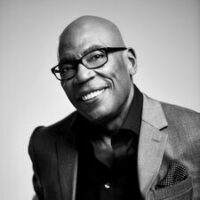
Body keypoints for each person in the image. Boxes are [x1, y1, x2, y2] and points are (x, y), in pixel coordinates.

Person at [28, 15, 200, 200]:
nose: (82, 76)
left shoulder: (194, 134)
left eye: (96, 56)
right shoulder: (44, 145)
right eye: (67, 68)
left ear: (130, 62)